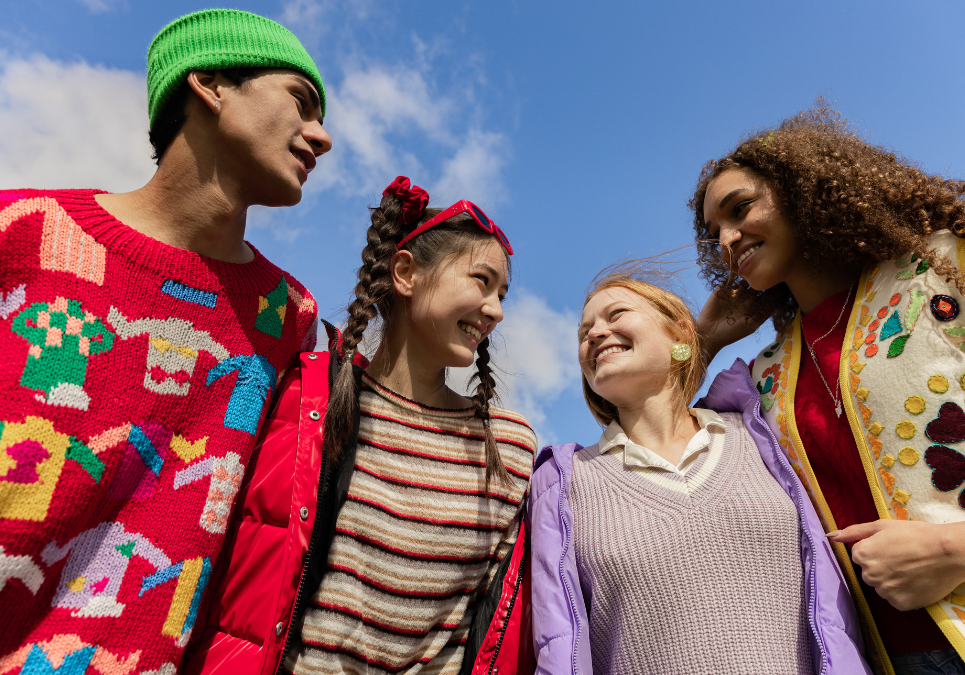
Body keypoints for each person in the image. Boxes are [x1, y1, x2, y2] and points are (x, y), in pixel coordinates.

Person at [0, 8, 329, 672]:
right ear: (210, 84)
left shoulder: (287, 317)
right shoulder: (22, 230)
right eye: (301, 101)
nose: (320, 137)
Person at [181, 177, 537, 675]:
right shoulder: (312, 403)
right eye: (481, 281)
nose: (496, 310)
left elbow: (490, 624)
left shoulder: (510, 447)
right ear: (406, 273)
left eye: (503, 293)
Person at [691, 101, 965, 675]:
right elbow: (651, 451)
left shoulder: (943, 269)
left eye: (739, 210)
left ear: (803, 190)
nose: (726, 239)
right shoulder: (761, 379)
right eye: (714, 232)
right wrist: (703, 341)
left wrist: (952, 550)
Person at [529, 267, 869, 675]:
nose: (595, 333)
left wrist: (704, 334)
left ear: (680, 336)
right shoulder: (562, 485)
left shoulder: (762, 427)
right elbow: (558, 645)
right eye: (584, 332)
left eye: (616, 314)